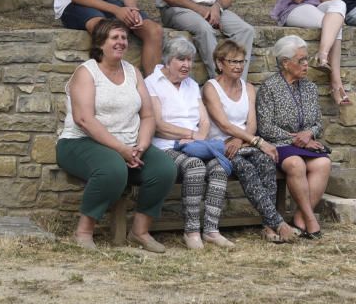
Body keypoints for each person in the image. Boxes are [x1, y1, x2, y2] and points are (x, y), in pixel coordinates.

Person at [55, 19, 177, 252]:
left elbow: (148, 115)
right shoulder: (86, 72)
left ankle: (139, 232)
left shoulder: (133, 72)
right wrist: (121, 150)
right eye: (115, 38)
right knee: (113, 168)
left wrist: (140, 145)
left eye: (124, 38)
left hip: (130, 144)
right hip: (80, 142)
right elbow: (84, 120)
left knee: (164, 168)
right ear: (100, 43)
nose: (121, 42)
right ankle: (83, 232)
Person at [203, 40, 298, 244]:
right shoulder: (211, 88)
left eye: (241, 61)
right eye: (233, 62)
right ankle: (278, 223)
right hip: (222, 147)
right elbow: (223, 124)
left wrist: (242, 139)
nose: (238, 66)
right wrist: (256, 142)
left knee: (266, 163)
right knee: (246, 169)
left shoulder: (248, 88)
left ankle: (268, 226)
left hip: (242, 143)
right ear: (220, 64)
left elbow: (252, 123)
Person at [144, 37, 234, 249]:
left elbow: (204, 120)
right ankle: (192, 231)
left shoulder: (192, 84)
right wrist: (189, 134)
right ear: (167, 60)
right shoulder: (151, 83)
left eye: (190, 60)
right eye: (181, 59)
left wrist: (198, 137)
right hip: (165, 147)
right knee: (194, 168)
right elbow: (158, 125)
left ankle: (211, 230)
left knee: (219, 167)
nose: (187, 65)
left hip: (194, 145)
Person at [256, 35, 331, 240]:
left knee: (323, 164)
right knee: (296, 164)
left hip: (307, 143)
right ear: (285, 63)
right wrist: (294, 139)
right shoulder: (269, 88)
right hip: (279, 144)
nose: (306, 64)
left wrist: (309, 134)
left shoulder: (310, 88)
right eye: (301, 60)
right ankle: (311, 218)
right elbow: (265, 127)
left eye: (307, 59)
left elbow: (318, 122)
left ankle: (299, 217)